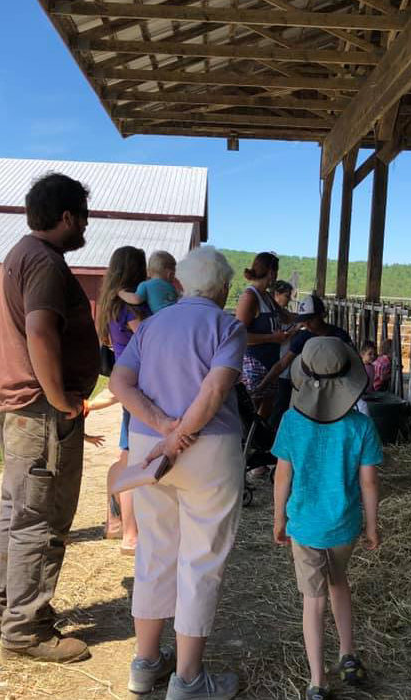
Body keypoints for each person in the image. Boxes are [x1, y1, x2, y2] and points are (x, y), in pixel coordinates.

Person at [110, 246, 248, 700]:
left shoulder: (149, 326)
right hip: (208, 448)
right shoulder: (227, 325)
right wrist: (181, 433)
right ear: (224, 288)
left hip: (151, 449)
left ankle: (146, 662)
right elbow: (215, 389)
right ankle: (188, 679)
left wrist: (162, 426)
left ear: (181, 284)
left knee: (155, 549)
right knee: (201, 558)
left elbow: (119, 384)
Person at [0, 172, 99, 662]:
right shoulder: (46, 263)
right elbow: (40, 332)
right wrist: (61, 399)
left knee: (17, 514)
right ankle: (27, 630)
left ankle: (4, 611)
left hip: (21, 413)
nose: (86, 227)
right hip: (40, 416)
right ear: (68, 216)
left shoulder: (20, 254)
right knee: (42, 519)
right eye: (85, 217)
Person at [271, 337, 383, 700]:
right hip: (345, 527)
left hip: (304, 525)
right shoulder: (361, 426)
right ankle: (348, 655)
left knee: (313, 601)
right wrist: (371, 526)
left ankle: (318, 681)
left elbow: (282, 476)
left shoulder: (291, 422)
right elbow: (368, 482)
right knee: (339, 583)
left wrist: (278, 519)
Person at [96, 246, 149, 555]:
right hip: (138, 385)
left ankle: (114, 523)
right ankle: (131, 535)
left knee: (125, 455)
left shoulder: (112, 302)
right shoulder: (130, 308)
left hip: (125, 380)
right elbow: (147, 336)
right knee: (133, 462)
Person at [258, 293, 354, 392]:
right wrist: (262, 385)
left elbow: (353, 360)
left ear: (323, 315)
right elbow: (282, 364)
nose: (307, 324)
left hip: (337, 386)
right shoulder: (303, 337)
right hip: (311, 387)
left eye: (311, 319)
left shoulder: (340, 336)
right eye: (304, 320)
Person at [235, 252, 291, 417]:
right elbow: (238, 335)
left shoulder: (266, 296)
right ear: (271, 272)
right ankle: (247, 443)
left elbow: (286, 316)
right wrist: (273, 338)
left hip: (271, 364)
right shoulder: (250, 297)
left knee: (264, 415)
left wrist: (307, 316)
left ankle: (257, 443)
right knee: (250, 415)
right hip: (254, 363)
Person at [268, 280, 298, 431]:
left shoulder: (283, 313)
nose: (289, 299)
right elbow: (281, 337)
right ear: (277, 294)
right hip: (279, 365)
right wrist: (296, 329)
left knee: (282, 404)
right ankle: (271, 437)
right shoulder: (273, 316)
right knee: (279, 406)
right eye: (286, 296)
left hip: (285, 365)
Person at [121, 250, 180, 314]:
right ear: (170, 275)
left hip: (160, 318)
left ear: (148, 272)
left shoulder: (145, 285)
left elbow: (136, 299)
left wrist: (121, 293)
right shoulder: (172, 287)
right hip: (176, 314)